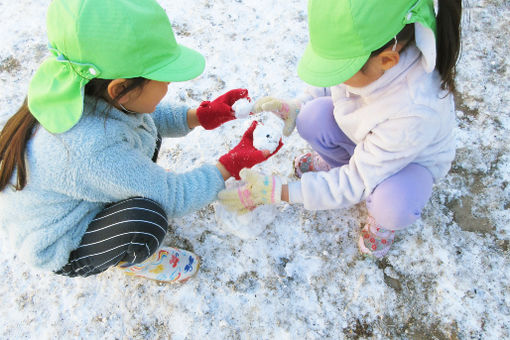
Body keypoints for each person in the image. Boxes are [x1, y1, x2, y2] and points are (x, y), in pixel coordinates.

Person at [0, 0, 279, 282]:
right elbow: (176, 196)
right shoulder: (91, 147)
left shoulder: (81, 86)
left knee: (145, 136)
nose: (169, 84)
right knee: (146, 220)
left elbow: (142, 118)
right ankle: (131, 258)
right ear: (120, 88)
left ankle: (134, 185)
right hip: (61, 236)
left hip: (82, 186)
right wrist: (233, 162)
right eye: (163, 77)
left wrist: (200, 116)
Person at [219, 0, 462, 258]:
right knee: (311, 117)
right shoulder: (369, 55)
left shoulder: (415, 108)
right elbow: (328, 86)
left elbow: (355, 181)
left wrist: (281, 191)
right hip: (370, 139)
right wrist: (296, 107)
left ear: (387, 60)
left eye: (339, 70)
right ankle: (336, 164)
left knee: (392, 204)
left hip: (408, 165)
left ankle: (384, 220)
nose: (333, 77)